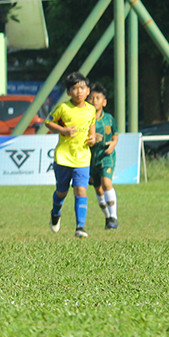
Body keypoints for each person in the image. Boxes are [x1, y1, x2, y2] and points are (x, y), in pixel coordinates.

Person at [44, 71, 97, 238]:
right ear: (68, 92)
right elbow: (48, 122)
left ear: (88, 91)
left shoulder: (91, 110)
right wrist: (63, 130)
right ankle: (56, 211)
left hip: (82, 157)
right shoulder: (63, 108)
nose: (79, 91)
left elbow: (92, 127)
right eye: (74, 88)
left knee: (81, 190)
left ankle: (80, 227)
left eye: (82, 88)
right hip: (63, 157)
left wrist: (93, 138)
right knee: (62, 191)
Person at [88, 82, 119, 229]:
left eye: (97, 98)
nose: (94, 101)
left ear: (104, 102)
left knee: (107, 183)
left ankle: (114, 217)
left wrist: (112, 145)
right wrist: (91, 139)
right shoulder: (86, 119)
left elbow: (115, 136)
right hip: (91, 158)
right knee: (98, 189)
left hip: (106, 157)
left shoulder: (109, 119)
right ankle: (107, 217)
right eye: (91, 98)